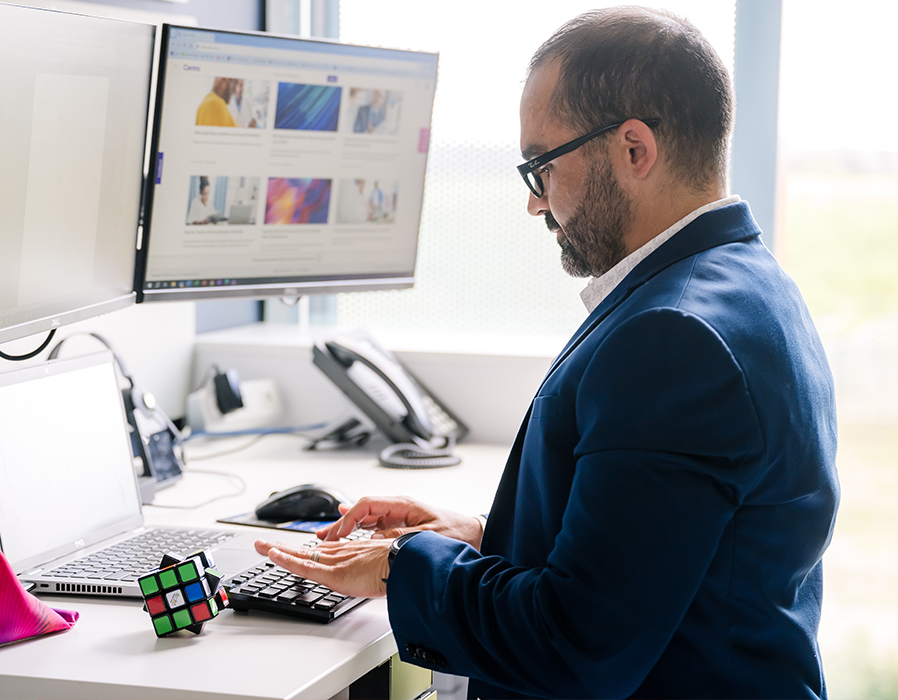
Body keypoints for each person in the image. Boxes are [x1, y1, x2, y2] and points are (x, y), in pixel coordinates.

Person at [254, 7, 839, 699]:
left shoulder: (674, 339)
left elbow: (578, 644)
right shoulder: (746, 282)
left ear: (633, 149)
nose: (535, 204)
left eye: (542, 167)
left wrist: (403, 564)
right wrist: (481, 534)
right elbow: (654, 559)